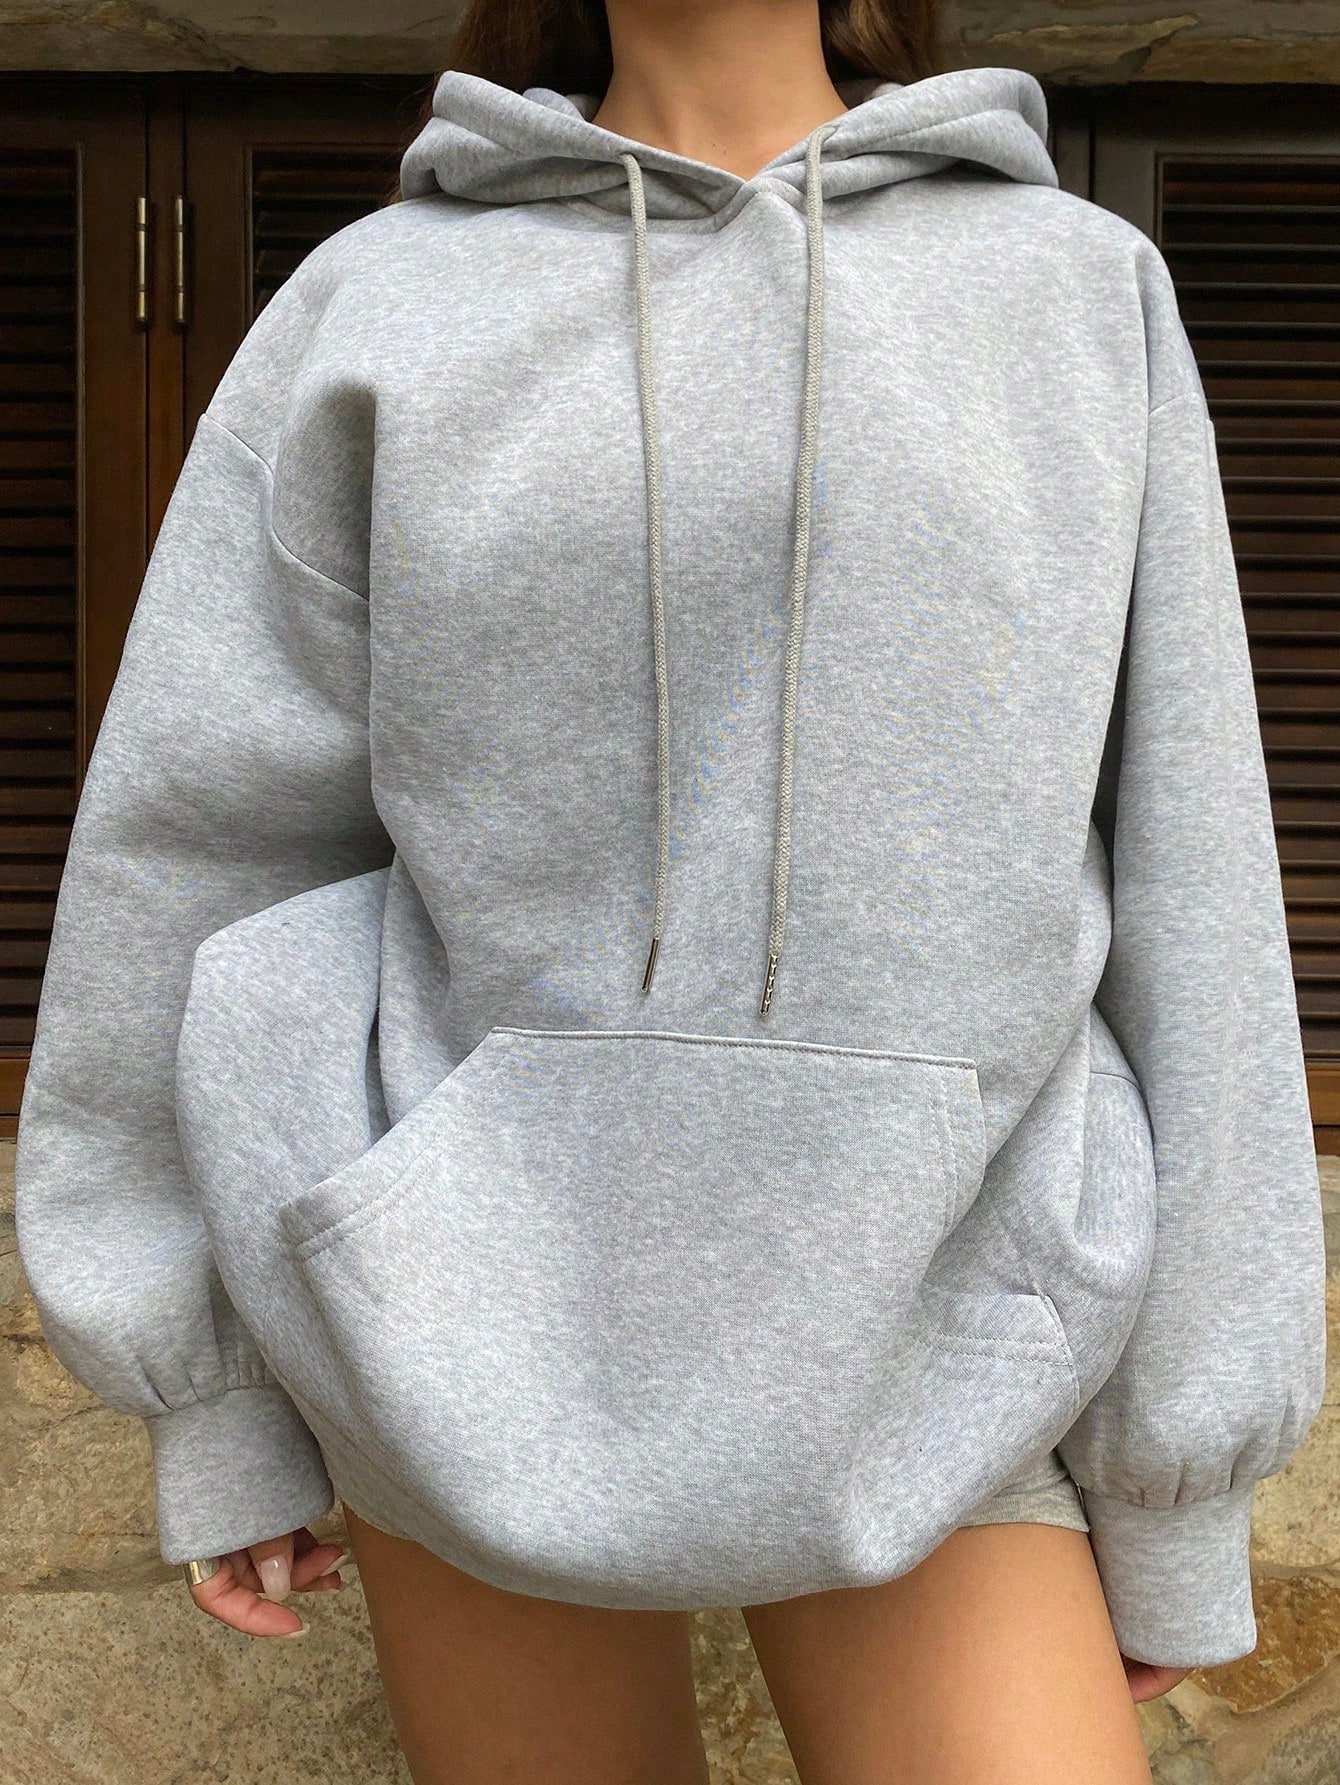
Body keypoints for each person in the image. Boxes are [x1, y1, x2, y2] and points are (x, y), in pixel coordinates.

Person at [13, 1, 1328, 1780]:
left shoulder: (1074, 292)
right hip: (461, 1324)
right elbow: (195, 840)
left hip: (955, 1317)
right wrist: (215, 1391)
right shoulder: (376, 302)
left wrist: (1180, 1473)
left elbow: (1193, 860)